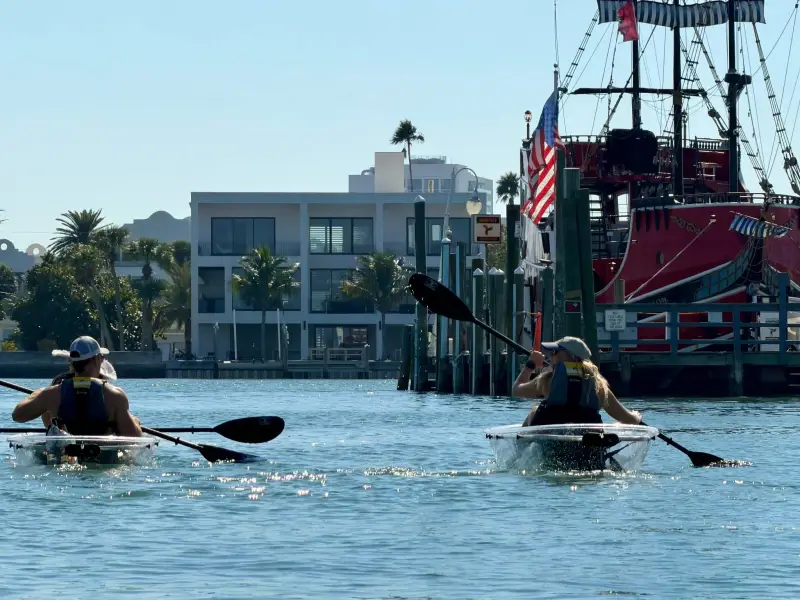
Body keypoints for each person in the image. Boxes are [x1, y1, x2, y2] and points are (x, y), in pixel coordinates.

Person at [11, 336, 142, 437]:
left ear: (71, 362)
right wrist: (135, 422)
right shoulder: (115, 395)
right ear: (97, 359)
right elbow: (134, 437)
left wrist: (39, 393)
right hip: (104, 457)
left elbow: (18, 415)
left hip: (68, 457)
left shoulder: (52, 394)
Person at [512, 335, 642, 426]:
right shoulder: (598, 385)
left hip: (551, 440)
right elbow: (628, 419)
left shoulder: (547, 380)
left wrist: (530, 365)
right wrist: (636, 416)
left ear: (572, 356)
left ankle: (521, 454)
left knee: (534, 411)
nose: (551, 355)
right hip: (584, 442)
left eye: (555, 352)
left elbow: (516, 390)